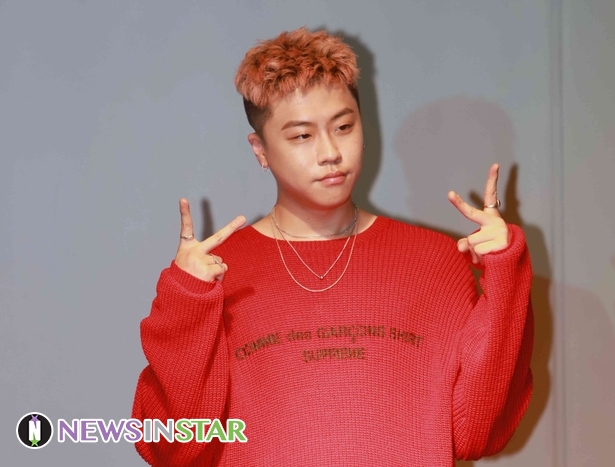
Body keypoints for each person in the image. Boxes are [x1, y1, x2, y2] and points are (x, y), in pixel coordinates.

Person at [132, 27, 533, 466]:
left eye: (343, 127)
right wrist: (187, 301)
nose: (330, 153)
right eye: (302, 136)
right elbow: (174, 447)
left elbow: (478, 431)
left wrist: (505, 273)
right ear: (260, 149)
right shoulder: (217, 274)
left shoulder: (434, 261)